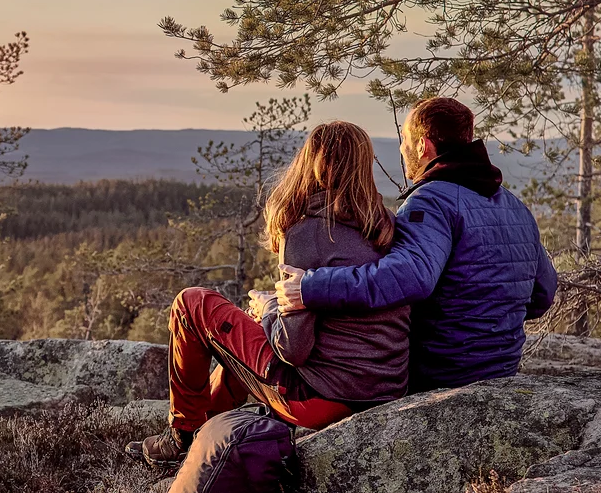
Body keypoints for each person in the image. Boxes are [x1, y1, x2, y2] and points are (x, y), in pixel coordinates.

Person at [128, 120, 411, 463]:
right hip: (384, 389)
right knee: (248, 331)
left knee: (191, 303)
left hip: (318, 398)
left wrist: (271, 308)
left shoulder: (308, 232)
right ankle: (200, 430)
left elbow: (292, 350)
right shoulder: (384, 225)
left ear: (311, 163)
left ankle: (182, 435)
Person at [276, 97, 558, 393]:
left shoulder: (431, 202)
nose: (402, 148)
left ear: (423, 146)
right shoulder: (514, 206)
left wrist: (311, 287)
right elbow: (543, 294)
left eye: (405, 139)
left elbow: (410, 277)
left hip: (442, 375)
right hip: (502, 370)